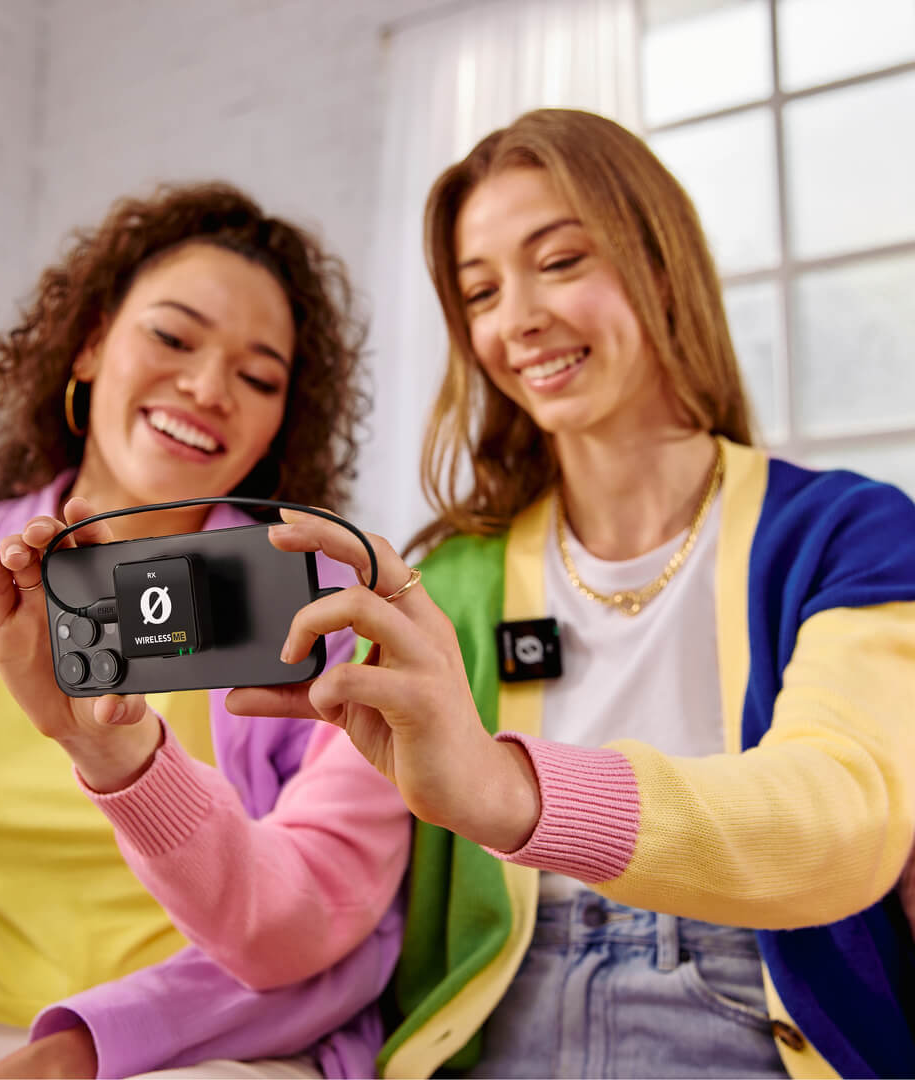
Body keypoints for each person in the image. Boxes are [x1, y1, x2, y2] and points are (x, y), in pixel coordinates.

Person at [226, 109, 915, 1079]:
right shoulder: (451, 579)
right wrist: (125, 765)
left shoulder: (851, 535)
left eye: (559, 261)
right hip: (496, 1017)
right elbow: (300, 896)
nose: (517, 319)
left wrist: (509, 790)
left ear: (661, 262)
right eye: (481, 291)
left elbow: (844, 819)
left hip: (745, 1008)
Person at [0, 183, 411, 1080]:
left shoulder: (332, 609)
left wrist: (84, 1047)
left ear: (278, 422)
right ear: (94, 342)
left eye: (258, 376)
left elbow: (329, 920)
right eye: (173, 337)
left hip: (214, 1055)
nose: (207, 387)